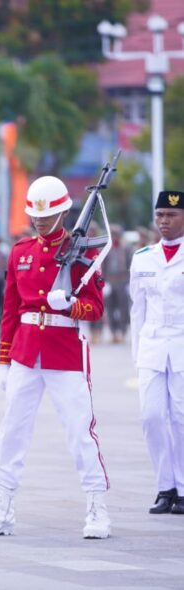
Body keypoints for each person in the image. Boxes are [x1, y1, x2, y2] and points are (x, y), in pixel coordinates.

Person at [0, 175, 111, 539]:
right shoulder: (20, 252)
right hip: (25, 351)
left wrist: (71, 306)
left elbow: (96, 308)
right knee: (11, 433)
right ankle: (2, 508)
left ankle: (97, 507)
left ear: (63, 213)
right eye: (34, 214)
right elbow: (10, 309)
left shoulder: (84, 252)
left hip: (64, 351)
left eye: (46, 216)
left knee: (80, 431)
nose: (39, 220)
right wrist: (4, 359)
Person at [129, 190, 184, 515]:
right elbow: (138, 309)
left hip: (182, 347)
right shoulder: (143, 257)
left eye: (172, 215)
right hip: (151, 348)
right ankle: (165, 487)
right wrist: (137, 355)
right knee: (150, 417)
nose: (164, 221)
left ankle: (182, 488)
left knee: (180, 418)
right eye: (160, 215)